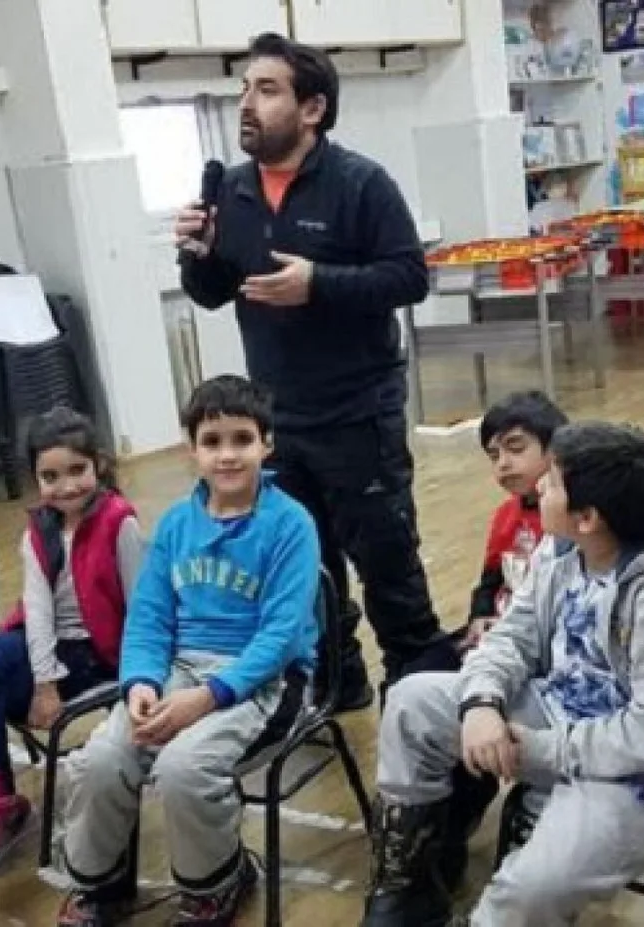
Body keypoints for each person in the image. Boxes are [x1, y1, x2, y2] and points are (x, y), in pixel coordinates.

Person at [360, 421, 644, 927]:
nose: (540, 486)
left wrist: (538, 749)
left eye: (554, 482)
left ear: (587, 517)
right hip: (554, 715)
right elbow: (511, 636)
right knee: (412, 702)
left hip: (643, 775)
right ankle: (407, 891)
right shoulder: (562, 547)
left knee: (532, 888)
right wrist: (480, 703)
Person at [174, 31, 449, 709]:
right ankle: (336, 684)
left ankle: (423, 704)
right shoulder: (232, 191)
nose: (247, 101)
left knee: (387, 566)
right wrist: (197, 253)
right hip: (277, 421)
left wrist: (318, 283)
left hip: (358, 413)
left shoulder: (360, 182)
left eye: (266, 90)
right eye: (244, 87)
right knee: (305, 570)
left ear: (312, 109)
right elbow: (213, 292)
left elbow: (410, 276)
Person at [55, 376, 320, 927]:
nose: (227, 454)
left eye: (241, 439)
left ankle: (218, 883)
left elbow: (280, 636)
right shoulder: (177, 523)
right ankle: (101, 886)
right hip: (178, 669)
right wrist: (142, 683)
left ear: (266, 445)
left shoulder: (291, 524)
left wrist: (207, 698)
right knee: (102, 759)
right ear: (191, 449)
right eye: (213, 440)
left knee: (182, 768)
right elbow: (149, 616)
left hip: (262, 678)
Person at [0, 407, 145, 877]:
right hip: (50, 649)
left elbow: (143, 608)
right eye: (50, 476)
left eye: (78, 470)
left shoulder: (121, 521)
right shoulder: (37, 531)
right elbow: (36, 612)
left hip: (102, 654)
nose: (67, 486)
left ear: (98, 465)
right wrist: (45, 682)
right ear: (36, 479)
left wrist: (139, 676)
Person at [460, 390, 568, 653]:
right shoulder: (505, 515)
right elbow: (490, 580)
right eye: (494, 455)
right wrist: (480, 616)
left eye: (516, 448)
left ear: (555, 450)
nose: (503, 464)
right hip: (502, 630)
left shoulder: (574, 516)